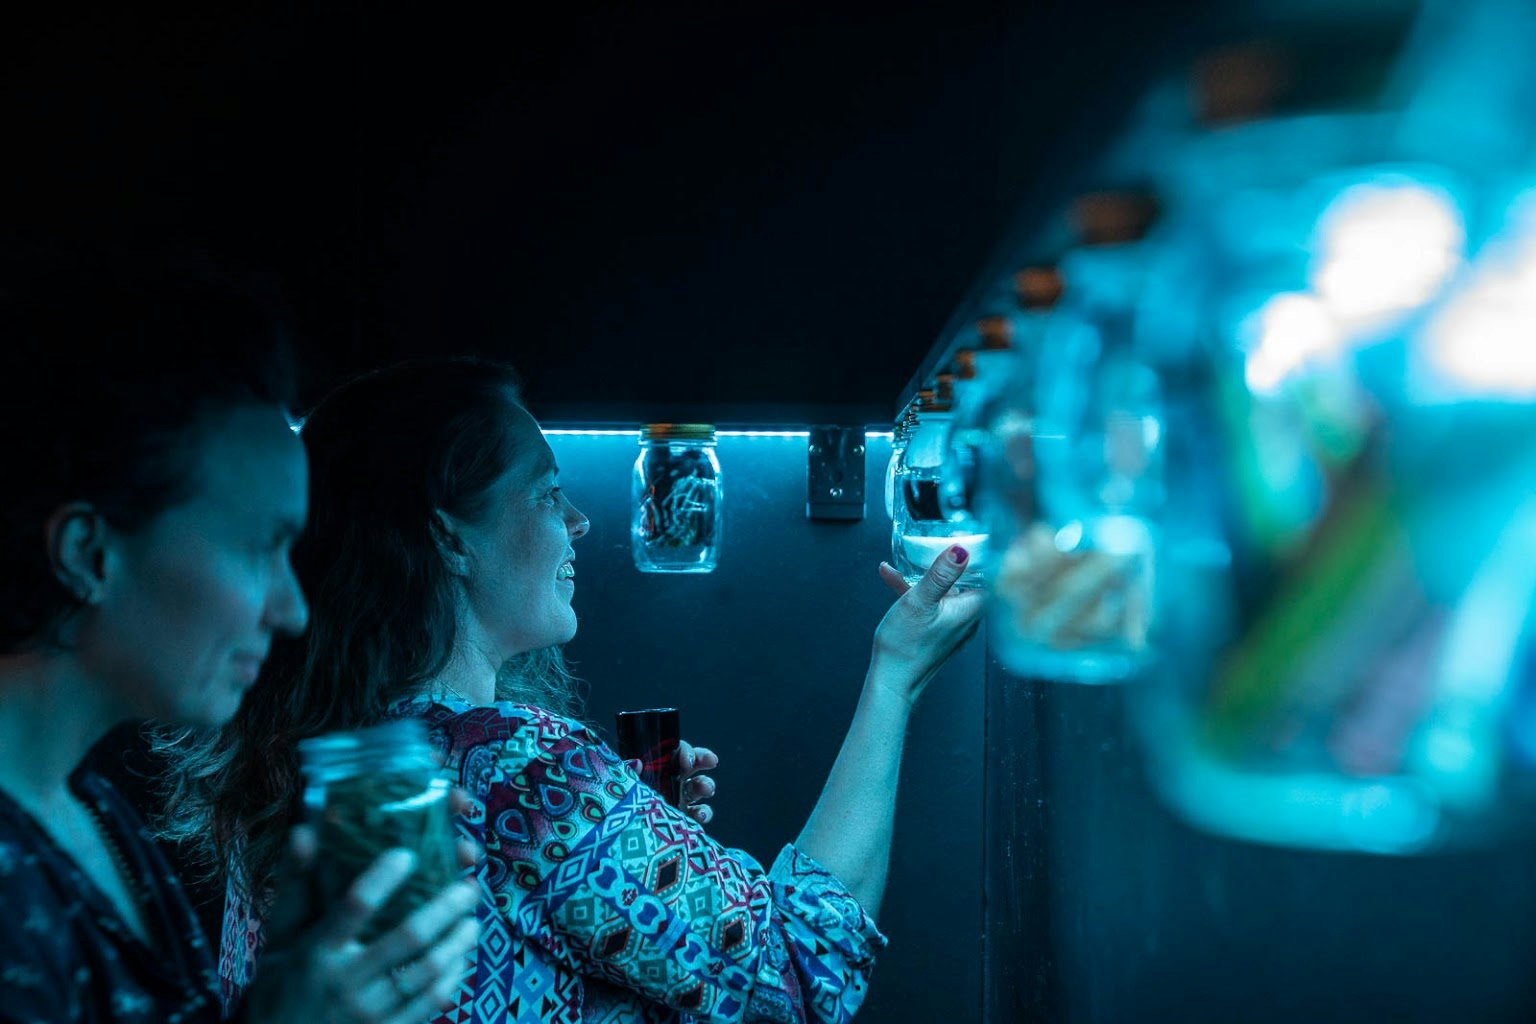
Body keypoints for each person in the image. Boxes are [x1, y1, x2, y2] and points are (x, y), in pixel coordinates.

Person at [171, 356, 983, 1022]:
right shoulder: (528, 771)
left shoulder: (319, 763)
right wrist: (895, 676)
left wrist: (628, 844)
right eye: (548, 493)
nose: (579, 523)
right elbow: (802, 977)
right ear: (450, 536)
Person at [0, 264, 480, 1023]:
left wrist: (285, 983)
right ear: (90, 554)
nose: (291, 612)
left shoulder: (91, 814)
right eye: (260, 547)